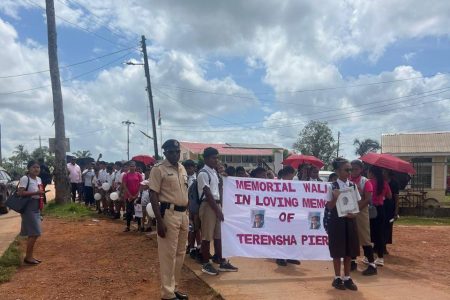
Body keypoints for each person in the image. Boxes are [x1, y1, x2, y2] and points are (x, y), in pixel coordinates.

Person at [149, 139, 189, 300]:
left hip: (183, 215)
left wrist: (188, 215)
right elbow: (153, 194)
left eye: (177, 151)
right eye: (171, 152)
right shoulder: (158, 169)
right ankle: (167, 293)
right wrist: (159, 221)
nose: (175, 154)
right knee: (168, 255)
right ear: (165, 153)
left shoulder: (182, 168)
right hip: (169, 215)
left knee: (180, 253)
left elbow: (185, 193)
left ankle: (174, 287)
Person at [199, 147, 238, 275]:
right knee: (206, 237)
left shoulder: (214, 172)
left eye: (217, 157)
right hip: (208, 206)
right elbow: (208, 193)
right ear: (206, 158)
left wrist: (225, 178)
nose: (216, 160)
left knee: (219, 236)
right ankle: (205, 263)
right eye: (213, 158)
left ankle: (220, 259)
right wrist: (218, 210)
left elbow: (219, 190)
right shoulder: (203, 173)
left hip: (216, 205)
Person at [327, 158, 360, 291]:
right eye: (346, 170)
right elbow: (329, 207)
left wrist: (355, 214)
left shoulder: (352, 186)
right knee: (337, 251)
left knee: (348, 250)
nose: (349, 172)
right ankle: (337, 278)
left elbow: (356, 205)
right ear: (338, 171)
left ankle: (347, 277)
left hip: (350, 221)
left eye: (350, 170)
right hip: (337, 222)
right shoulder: (331, 186)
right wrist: (335, 197)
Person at [350, 160, 377, 276]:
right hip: (349, 212)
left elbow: (368, 199)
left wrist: (356, 208)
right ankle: (352, 262)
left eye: (356, 169)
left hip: (361, 212)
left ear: (361, 169)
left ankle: (372, 265)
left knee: (364, 238)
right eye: (351, 169)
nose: (353, 171)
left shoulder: (365, 182)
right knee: (351, 237)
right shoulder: (348, 181)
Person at [17, 160, 46, 265]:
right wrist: (36, 192)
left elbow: (40, 193)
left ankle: (29, 256)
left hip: (36, 206)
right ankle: (28, 257)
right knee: (35, 233)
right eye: (33, 167)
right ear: (29, 168)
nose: (36, 169)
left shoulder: (39, 179)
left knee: (33, 233)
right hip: (28, 207)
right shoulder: (25, 178)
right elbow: (20, 193)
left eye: (38, 167)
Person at [275, 165, 300, 267]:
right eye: (292, 175)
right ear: (288, 174)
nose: (293, 177)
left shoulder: (294, 184)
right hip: (280, 214)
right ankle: (280, 257)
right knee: (281, 236)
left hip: (292, 214)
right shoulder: (276, 184)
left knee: (291, 236)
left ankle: (290, 256)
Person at [368, 166, 392, 267]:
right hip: (381, 209)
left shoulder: (369, 182)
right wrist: (381, 196)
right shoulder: (384, 183)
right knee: (379, 234)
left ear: (372, 173)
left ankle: (368, 257)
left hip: (371, 210)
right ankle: (380, 258)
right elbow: (389, 196)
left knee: (368, 233)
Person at [184, 159, 202, 258]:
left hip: (195, 205)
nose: (188, 169)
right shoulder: (183, 178)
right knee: (190, 228)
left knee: (196, 227)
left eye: (190, 167)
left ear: (194, 168)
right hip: (185, 205)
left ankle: (197, 246)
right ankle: (190, 246)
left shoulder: (197, 178)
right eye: (186, 168)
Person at [122, 161, 142, 232]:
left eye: (133, 166)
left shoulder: (139, 174)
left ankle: (139, 226)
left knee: (138, 211)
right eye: (131, 166)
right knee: (129, 211)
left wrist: (137, 194)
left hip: (137, 196)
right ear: (128, 167)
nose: (132, 167)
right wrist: (130, 195)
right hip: (129, 196)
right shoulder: (125, 175)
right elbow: (124, 185)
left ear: (135, 167)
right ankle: (128, 226)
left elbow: (141, 185)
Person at [384, 170, 400, 254]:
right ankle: (377, 245)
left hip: (390, 207)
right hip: (380, 206)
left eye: (384, 171)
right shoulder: (380, 181)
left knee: (388, 226)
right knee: (378, 226)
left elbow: (396, 197)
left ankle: (384, 246)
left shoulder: (394, 183)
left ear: (388, 172)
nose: (383, 173)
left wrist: (396, 211)